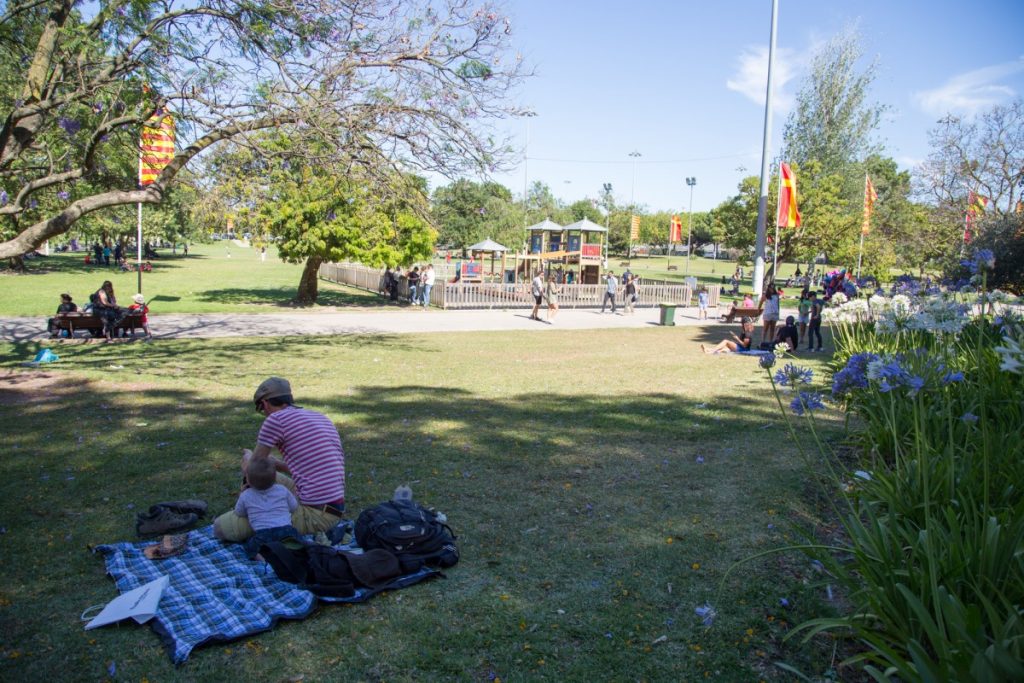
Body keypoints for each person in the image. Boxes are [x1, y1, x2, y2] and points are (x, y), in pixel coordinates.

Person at [214, 377, 347, 543]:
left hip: (315, 515)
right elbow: (309, 469)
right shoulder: (319, 417)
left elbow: (252, 468)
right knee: (267, 475)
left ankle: (247, 509)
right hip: (334, 509)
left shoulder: (275, 420)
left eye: (260, 409)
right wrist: (275, 464)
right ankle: (255, 508)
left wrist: (248, 457)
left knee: (221, 528)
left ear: (265, 403)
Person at [234, 457, 300, 559]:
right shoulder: (282, 490)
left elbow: (239, 512)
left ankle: (261, 558)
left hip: (263, 534)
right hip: (287, 531)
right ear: (275, 479)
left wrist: (241, 494)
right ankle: (292, 554)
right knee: (298, 544)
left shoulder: (246, 495)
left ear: (248, 480)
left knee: (250, 546)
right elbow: (294, 507)